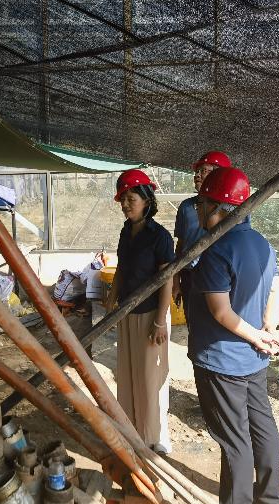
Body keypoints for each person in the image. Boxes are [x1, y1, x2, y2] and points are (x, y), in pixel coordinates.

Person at [190, 166, 279, 504]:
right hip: (253, 361)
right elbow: (276, 288)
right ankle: (270, 497)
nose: (198, 210)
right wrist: (268, 328)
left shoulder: (218, 250)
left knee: (234, 441)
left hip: (222, 361)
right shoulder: (260, 242)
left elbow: (220, 311)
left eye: (201, 204)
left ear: (216, 207)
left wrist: (257, 336)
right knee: (262, 427)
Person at [106, 169, 175, 454]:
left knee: (149, 379)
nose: (125, 205)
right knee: (127, 374)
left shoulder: (159, 236)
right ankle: (129, 431)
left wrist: (160, 321)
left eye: (131, 199)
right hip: (126, 311)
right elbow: (121, 268)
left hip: (150, 315)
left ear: (146, 200)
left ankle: (151, 439)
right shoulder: (126, 231)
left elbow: (167, 278)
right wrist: (111, 299)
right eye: (122, 199)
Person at [172, 151, 232, 315]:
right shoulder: (186, 207)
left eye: (204, 171)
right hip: (190, 276)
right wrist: (176, 282)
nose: (197, 175)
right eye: (197, 171)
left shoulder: (232, 208)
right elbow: (180, 246)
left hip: (220, 274)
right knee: (193, 321)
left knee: (218, 318)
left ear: (219, 176)